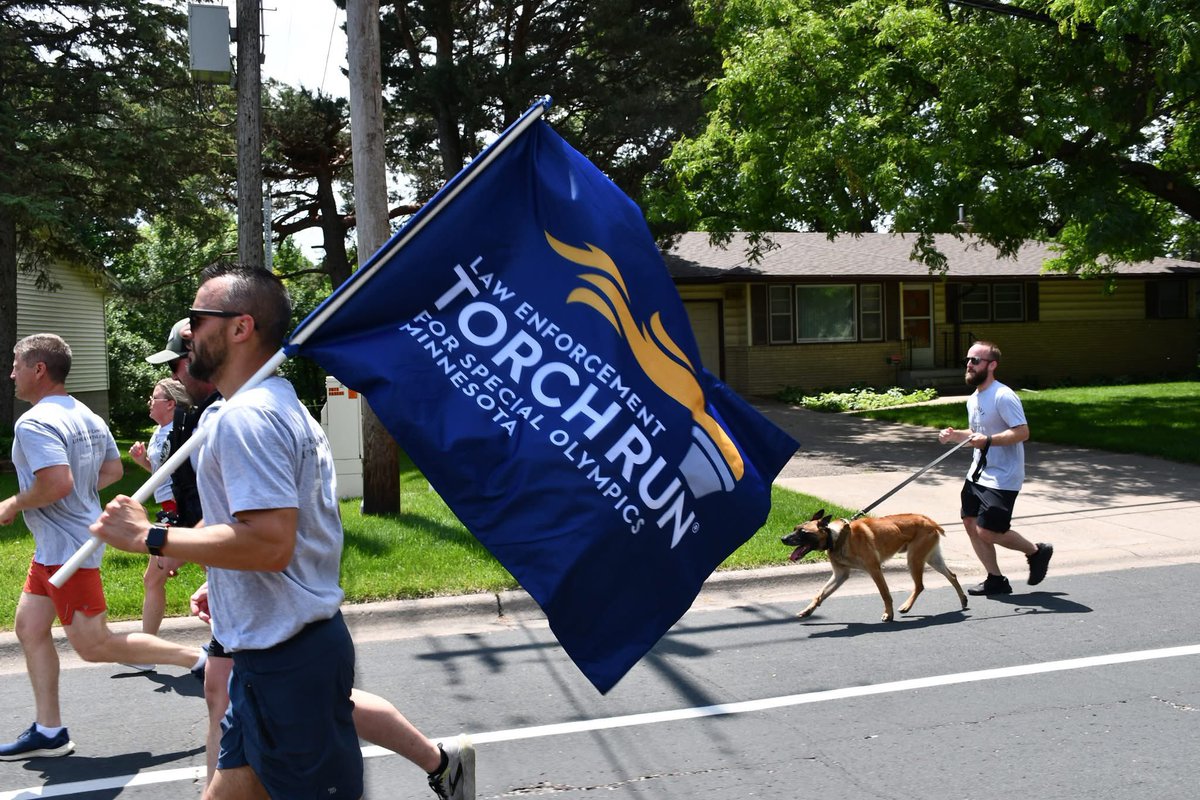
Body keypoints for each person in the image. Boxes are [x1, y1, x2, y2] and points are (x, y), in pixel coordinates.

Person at [93, 267, 473, 799]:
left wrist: (151, 537)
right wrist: (222, 573)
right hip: (269, 654)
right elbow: (270, 525)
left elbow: (271, 543)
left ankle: (445, 765)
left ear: (240, 327)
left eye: (199, 318)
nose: (188, 332)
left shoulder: (246, 419)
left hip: (287, 658)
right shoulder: (265, 405)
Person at [0, 334, 207, 761]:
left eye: (17, 365)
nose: (12, 373)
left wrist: (15, 502)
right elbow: (112, 470)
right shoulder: (86, 414)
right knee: (29, 627)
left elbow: (57, 483)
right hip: (56, 546)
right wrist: (74, 499)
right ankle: (49, 730)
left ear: (39, 369)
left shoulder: (34, 422)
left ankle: (199, 661)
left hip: (68, 551)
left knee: (94, 645)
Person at [938, 340, 1053, 596]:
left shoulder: (1003, 395)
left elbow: (1022, 432)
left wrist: (988, 441)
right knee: (970, 523)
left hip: (1003, 477)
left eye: (975, 360)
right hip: (977, 474)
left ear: (992, 365)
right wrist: (955, 435)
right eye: (967, 360)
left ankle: (1036, 552)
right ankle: (995, 579)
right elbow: (978, 433)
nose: (969, 364)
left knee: (988, 531)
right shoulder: (974, 398)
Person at [125, 378, 192, 654]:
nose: (149, 403)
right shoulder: (159, 432)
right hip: (167, 513)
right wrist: (143, 462)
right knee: (218, 575)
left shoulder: (180, 432)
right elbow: (161, 473)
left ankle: (147, 653)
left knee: (153, 579)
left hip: (178, 515)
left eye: (154, 398)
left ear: (171, 404)